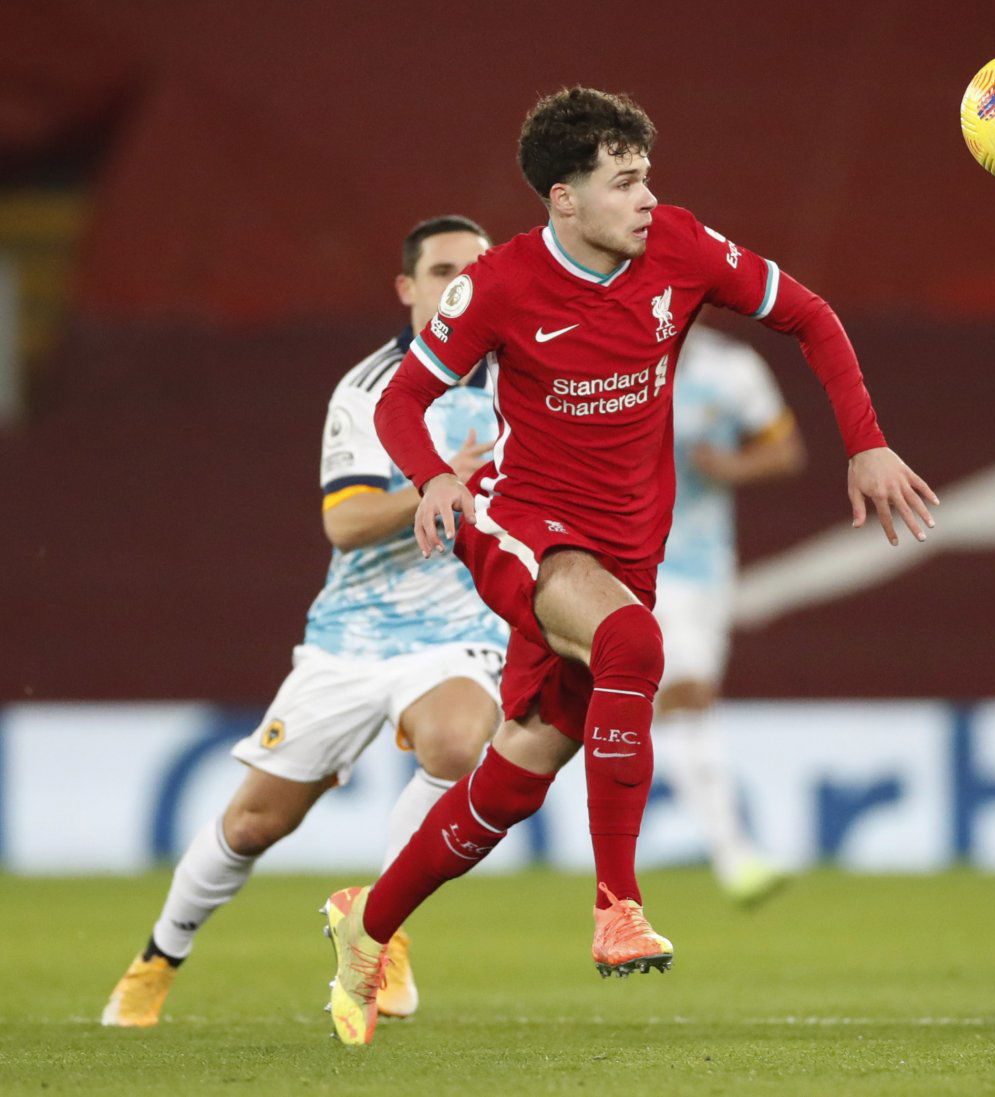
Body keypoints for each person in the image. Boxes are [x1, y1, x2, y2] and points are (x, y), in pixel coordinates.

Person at [322, 86, 937, 1046]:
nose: (648, 197)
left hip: (626, 544)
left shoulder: (682, 248)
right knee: (631, 643)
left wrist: (865, 441)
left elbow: (810, 315)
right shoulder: (499, 286)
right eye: (625, 180)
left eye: (648, 175)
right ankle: (619, 904)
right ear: (563, 198)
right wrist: (434, 476)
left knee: (520, 772)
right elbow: (403, 400)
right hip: (522, 526)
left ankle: (367, 923)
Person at [103, 216, 506, 1028]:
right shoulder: (368, 391)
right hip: (353, 638)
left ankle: (379, 935)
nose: (460, 284)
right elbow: (346, 522)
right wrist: (438, 486)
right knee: (256, 821)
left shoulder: (527, 374)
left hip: (459, 629)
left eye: (477, 269)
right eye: (441, 270)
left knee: (461, 742)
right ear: (408, 287)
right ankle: (158, 956)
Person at [653, 325, 804, 904]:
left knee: (675, 705)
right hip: (626, 559)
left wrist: (730, 468)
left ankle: (725, 853)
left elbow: (785, 450)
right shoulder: (605, 350)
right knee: (686, 691)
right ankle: (734, 856)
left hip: (703, 565)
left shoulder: (732, 368)